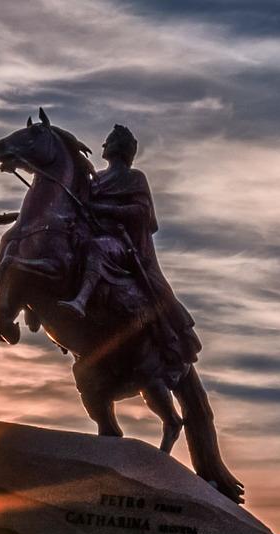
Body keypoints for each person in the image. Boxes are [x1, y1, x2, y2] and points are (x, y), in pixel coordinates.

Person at [60, 125, 201, 362]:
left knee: (98, 248)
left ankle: (81, 300)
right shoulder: (97, 178)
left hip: (121, 245)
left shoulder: (134, 178)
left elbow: (143, 214)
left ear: (121, 148)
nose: (104, 145)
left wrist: (102, 208)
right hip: (90, 235)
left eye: (110, 141)